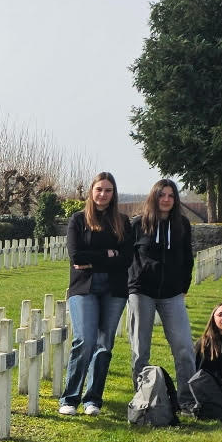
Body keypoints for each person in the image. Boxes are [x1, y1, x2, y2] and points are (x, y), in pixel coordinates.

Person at [58, 172, 132, 416]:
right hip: (84, 288)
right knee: (85, 340)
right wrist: (108, 255)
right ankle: (70, 398)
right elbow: (76, 257)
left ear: (114, 194)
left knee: (104, 344)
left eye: (108, 190)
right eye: (99, 189)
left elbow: (127, 259)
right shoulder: (78, 220)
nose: (103, 194)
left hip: (114, 290)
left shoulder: (122, 221)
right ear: (91, 191)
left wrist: (95, 259)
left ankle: (93, 400)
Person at [127, 177, 196, 409]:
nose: (166, 199)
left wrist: (183, 286)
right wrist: (132, 283)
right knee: (140, 348)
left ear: (175, 200)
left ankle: (187, 399)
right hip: (142, 292)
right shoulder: (138, 225)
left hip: (172, 294)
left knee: (184, 347)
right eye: (162, 195)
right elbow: (128, 257)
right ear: (154, 197)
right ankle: (142, 397)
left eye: (170, 195)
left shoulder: (182, 226)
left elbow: (188, 258)